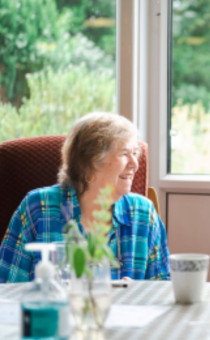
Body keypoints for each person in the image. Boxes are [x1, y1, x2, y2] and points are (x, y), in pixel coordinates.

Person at [0, 112, 170, 283]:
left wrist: (138, 294)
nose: (135, 164)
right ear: (90, 163)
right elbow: (5, 290)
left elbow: (164, 290)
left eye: (135, 153)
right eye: (125, 154)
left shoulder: (144, 213)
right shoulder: (37, 208)